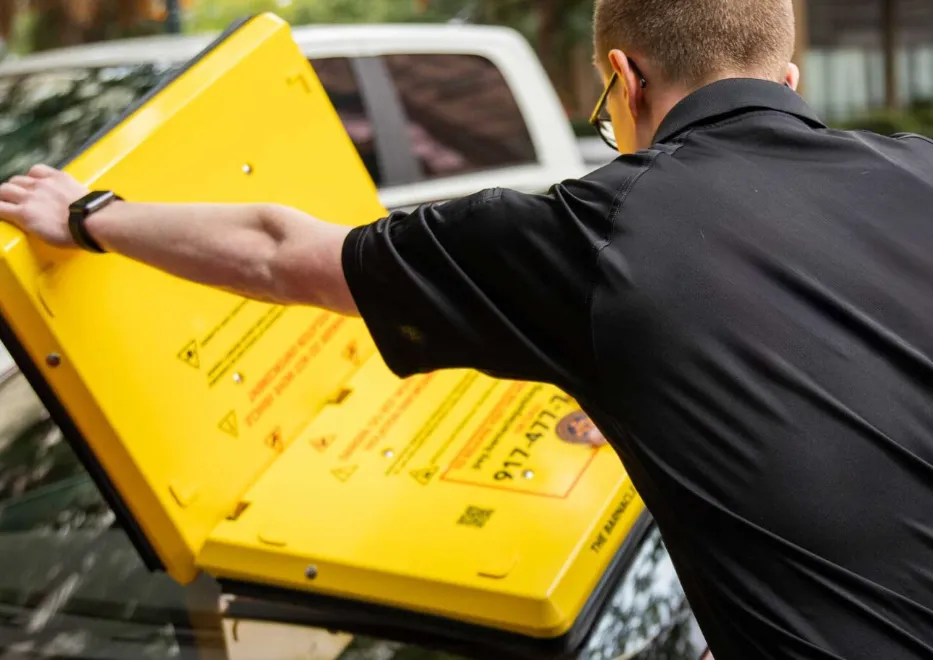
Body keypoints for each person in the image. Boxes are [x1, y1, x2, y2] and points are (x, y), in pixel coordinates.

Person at [3, 0, 933, 657]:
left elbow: (281, 250)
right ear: (789, 76)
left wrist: (89, 214)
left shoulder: (590, 235)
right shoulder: (920, 174)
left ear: (622, 76)